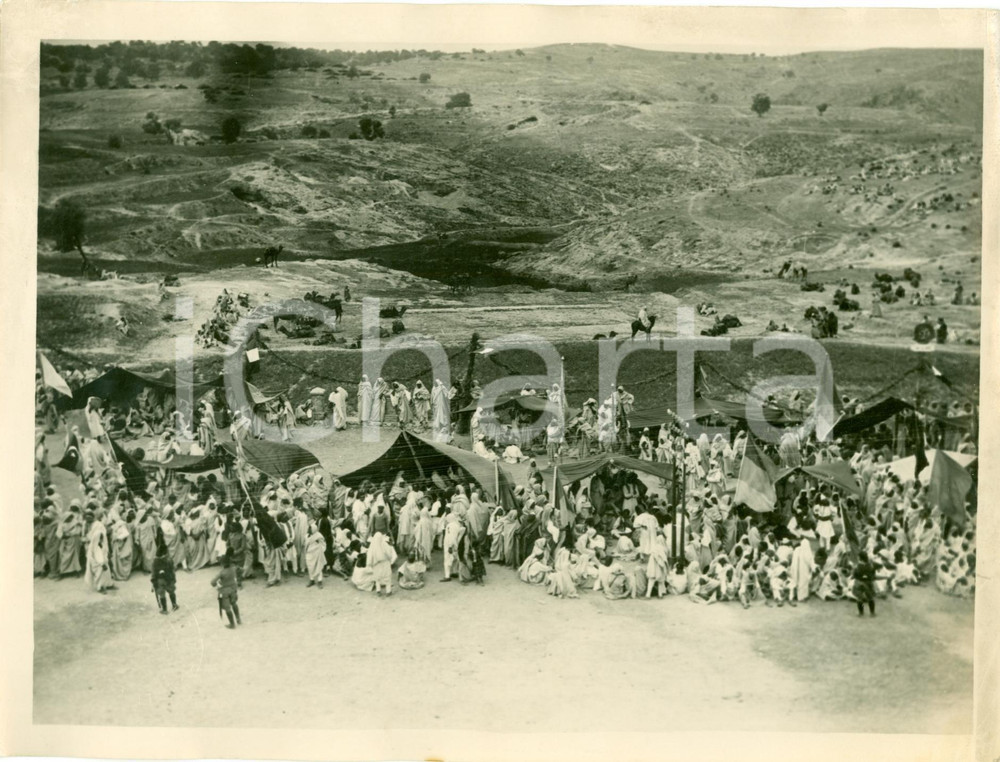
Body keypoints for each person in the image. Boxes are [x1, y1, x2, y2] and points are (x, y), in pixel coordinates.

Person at [210, 554, 241, 629]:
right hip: (233, 589)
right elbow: (240, 570)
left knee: (227, 608)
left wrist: (217, 584)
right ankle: (238, 619)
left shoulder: (222, 573)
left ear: (222, 563)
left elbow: (212, 582)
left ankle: (232, 624)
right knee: (234, 603)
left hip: (224, 591)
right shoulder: (233, 569)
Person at [151, 544, 179, 615]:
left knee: (162, 594)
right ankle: (174, 605)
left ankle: (164, 609)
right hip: (169, 579)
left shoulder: (155, 561)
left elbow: (153, 573)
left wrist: (153, 583)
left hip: (160, 581)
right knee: (171, 591)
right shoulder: (169, 560)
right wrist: (173, 579)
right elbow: (173, 570)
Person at [367, 531, 397, 595]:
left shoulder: (372, 546)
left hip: (376, 564)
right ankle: (388, 591)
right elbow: (389, 553)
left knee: (377, 578)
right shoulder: (384, 544)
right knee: (387, 577)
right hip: (385, 562)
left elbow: (369, 555)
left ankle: (378, 590)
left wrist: (370, 564)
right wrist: (390, 560)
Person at [852, 550, 877, 617]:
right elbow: (873, 574)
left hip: (859, 583)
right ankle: (872, 612)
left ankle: (861, 613)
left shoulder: (857, 566)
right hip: (868, 582)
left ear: (860, 557)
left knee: (860, 598)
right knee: (870, 597)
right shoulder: (870, 565)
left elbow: (854, 575)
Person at [305, 521, 327, 588]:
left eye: (310, 528)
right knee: (310, 567)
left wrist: (320, 548)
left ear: (313, 529)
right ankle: (311, 580)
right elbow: (306, 545)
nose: (308, 530)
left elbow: (323, 544)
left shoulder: (319, 536)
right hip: (309, 554)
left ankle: (320, 581)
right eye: (308, 528)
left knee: (319, 567)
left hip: (317, 554)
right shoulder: (306, 536)